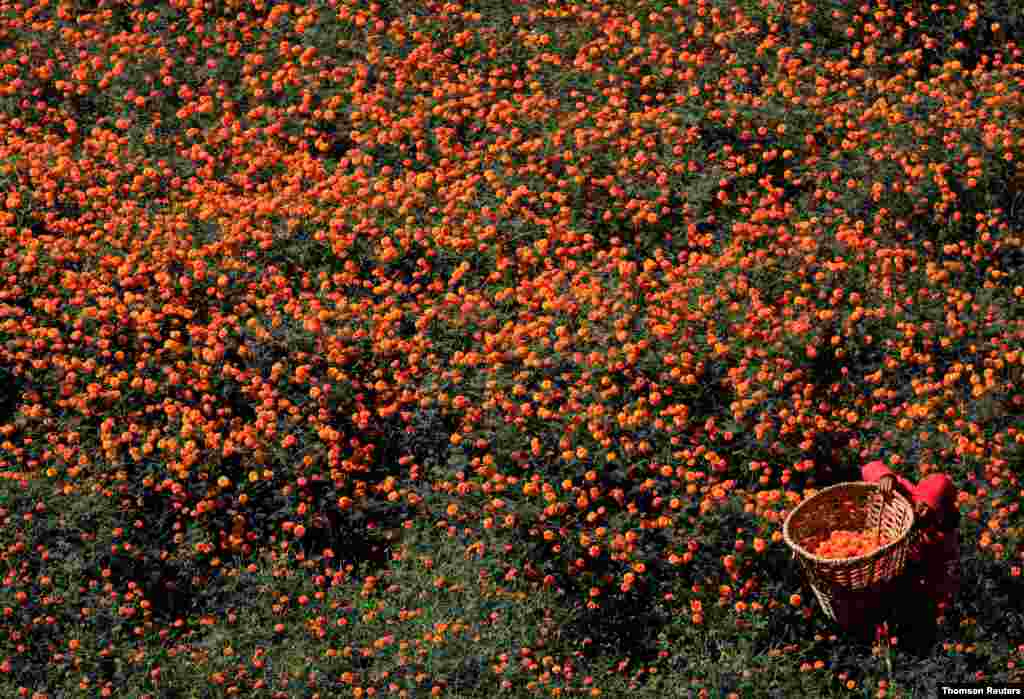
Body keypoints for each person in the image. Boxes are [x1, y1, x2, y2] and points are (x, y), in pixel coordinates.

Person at [861, 461, 961, 614]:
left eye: (932, 511)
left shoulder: (940, 534)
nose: (924, 513)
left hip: (900, 571)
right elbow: (870, 467)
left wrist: (938, 597)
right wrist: (884, 477)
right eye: (923, 505)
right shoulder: (905, 492)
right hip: (874, 545)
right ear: (918, 496)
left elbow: (941, 569)